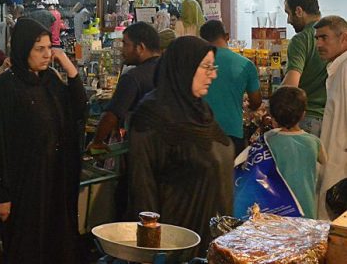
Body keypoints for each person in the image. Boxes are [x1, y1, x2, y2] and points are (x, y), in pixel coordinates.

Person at [0, 18, 88, 263]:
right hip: (23, 186)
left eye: (49, 48)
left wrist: (69, 67)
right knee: (26, 247)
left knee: (55, 244)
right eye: (39, 49)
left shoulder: (49, 80)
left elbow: (78, 107)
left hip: (54, 182)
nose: (47, 55)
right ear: (22, 48)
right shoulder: (7, 87)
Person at [129, 36, 233, 257]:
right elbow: (142, 185)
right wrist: (150, 249)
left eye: (213, 67)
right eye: (206, 67)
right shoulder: (152, 115)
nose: (212, 74)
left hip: (209, 240)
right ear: (183, 68)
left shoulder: (200, 110)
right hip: (175, 243)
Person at [89, 22, 162, 151]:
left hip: (141, 149)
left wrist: (97, 141)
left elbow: (111, 115)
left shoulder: (133, 77)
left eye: (125, 44)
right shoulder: (170, 70)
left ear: (140, 48)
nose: (122, 50)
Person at [200, 20, 262, 154]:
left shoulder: (194, 63)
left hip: (201, 132)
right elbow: (256, 102)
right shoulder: (246, 64)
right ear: (227, 36)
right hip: (232, 132)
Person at [265, 86, 326, 219]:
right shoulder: (313, 141)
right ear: (303, 114)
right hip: (306, 210)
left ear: (272, 116)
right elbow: (325, 161)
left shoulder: (268, 140)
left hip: (278, 210)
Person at [313, 15, 347, 219]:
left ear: (344, 38)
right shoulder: (337, 67)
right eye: (317, 38)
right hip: (334, 162)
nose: (319, 44)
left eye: (324, 38)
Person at [282, 0, 328, 136]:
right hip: (331, 119)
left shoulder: (301, 40)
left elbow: (291, 86)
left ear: (299, 11)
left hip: (307, 119)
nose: (288, 20)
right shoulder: (334, 38)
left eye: (288, 13)